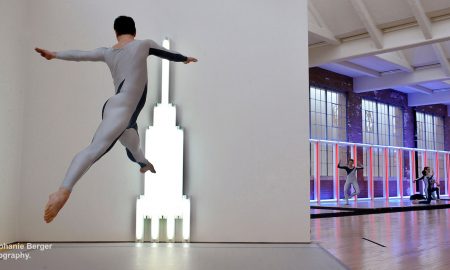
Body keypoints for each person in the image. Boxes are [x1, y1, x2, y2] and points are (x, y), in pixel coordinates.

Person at [35, 16, 198, 223]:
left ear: (115, 32)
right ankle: (62, 191)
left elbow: (81, 55)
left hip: (123, 113)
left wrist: (55, 54)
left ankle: (144, 164)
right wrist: (185, 58)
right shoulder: (143, 45)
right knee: (95, 149)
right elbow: (168, 54)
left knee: (133, 144)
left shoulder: (107, 52)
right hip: (122, 109)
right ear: (135, 31)